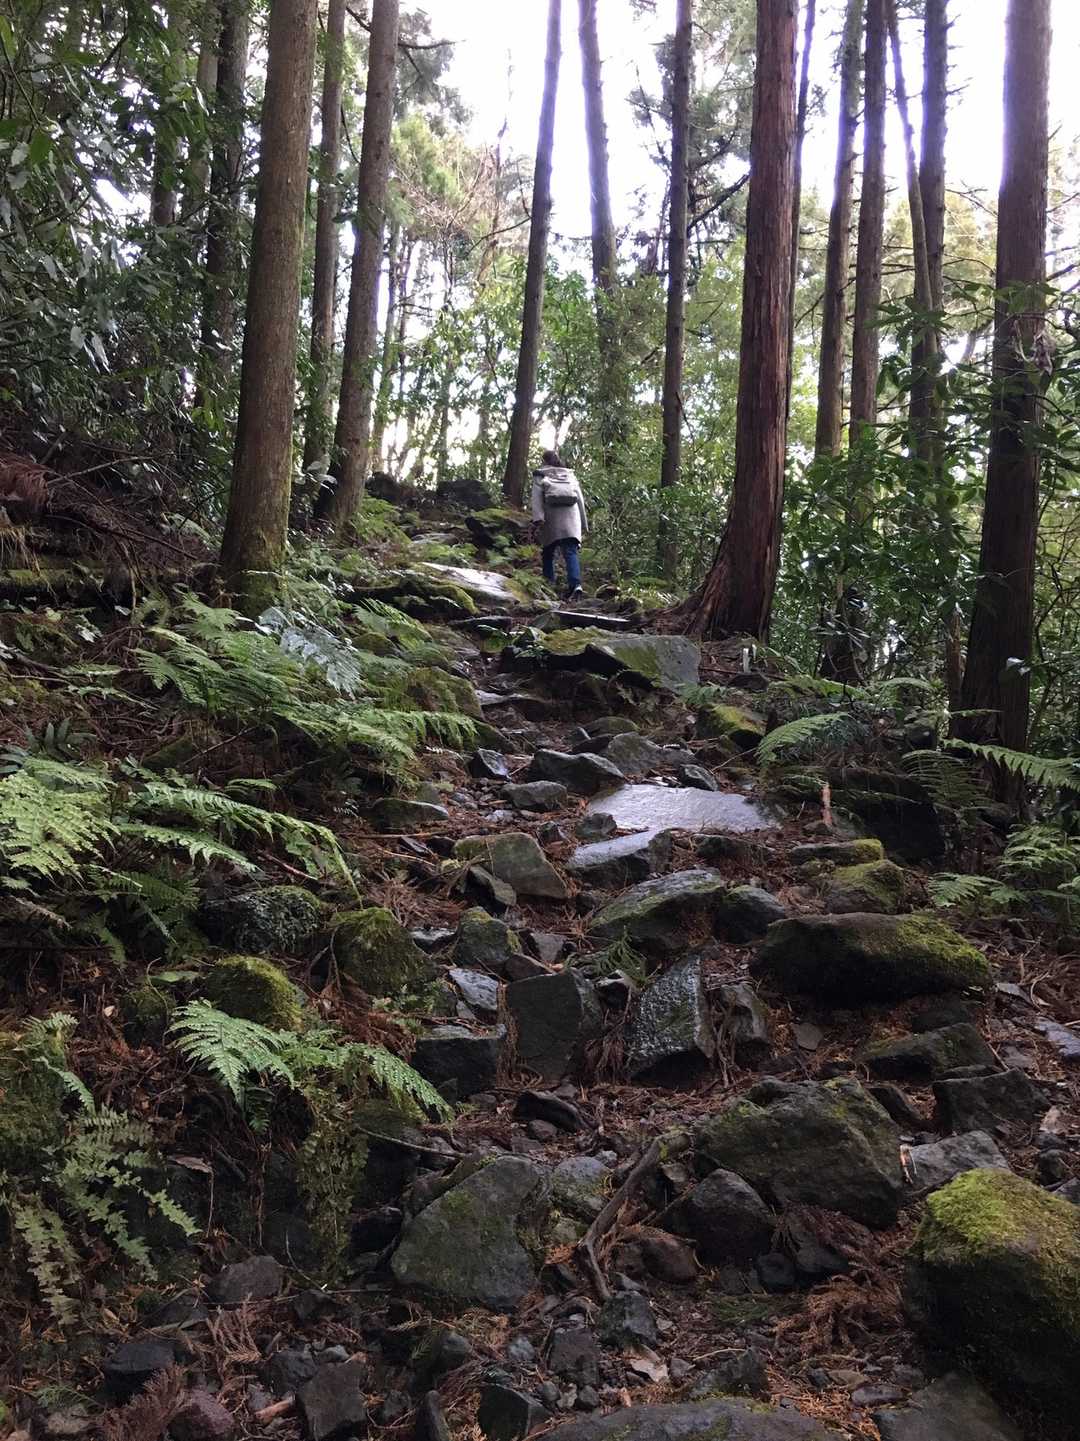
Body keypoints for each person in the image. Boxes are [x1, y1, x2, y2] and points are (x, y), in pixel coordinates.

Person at [531, 448, 587, 601]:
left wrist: (538, 519)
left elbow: (536, 498)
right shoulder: (570, 475)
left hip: (552, 517)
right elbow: (580, 500)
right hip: (572, 518)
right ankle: (575, 585)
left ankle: (548, 584)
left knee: (548, 552)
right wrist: (583, 523)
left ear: (544, 461)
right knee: (570, 552)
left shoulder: (540, 475)